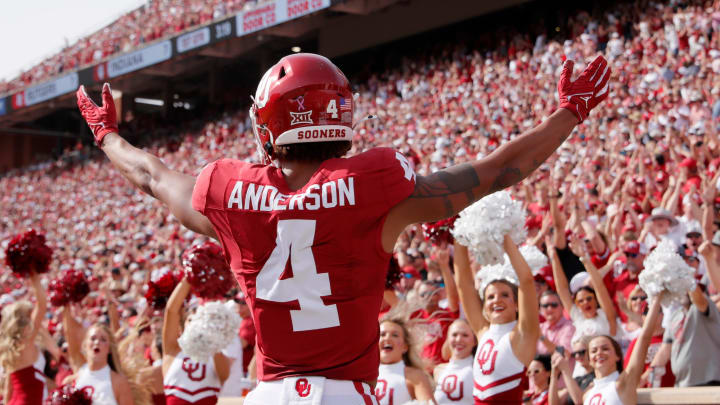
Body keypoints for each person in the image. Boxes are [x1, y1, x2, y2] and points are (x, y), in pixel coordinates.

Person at [76, 52, 610, 403]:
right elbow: (494, 172)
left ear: (268, 123)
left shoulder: (227, 191)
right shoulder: (376, 184)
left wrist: (106, 135)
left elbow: (152, 175)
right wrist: (568, 113)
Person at [454, 235, 541, 404]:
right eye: (490, 297)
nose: (496, 300)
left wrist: (505, 236)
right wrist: (458, 233)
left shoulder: (522, 334)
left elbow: (526, 282)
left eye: (505, 295)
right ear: (484, 305)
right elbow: (463, 284)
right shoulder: (482, 331)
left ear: (516, 304)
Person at [162, 278, 230, 405]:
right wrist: (190, 275)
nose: (196, 323)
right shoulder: (172, 349)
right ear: (181, 327)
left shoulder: (216, 355)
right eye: (191, 319)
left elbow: (224, 375)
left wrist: (211, 337)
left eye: (200, 319)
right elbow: (171, 310)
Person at [61, 303, 134, 405]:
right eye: (93, 338)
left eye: (103, 340)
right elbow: (69, 332)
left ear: (109, 349)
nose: (97, 342)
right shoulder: (71, 381)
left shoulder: (119, 382)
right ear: (85, 345)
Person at [0, 275, 48, 405]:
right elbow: (42, 304)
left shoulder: (15, 347)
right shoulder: (26, 343)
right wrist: (34, 275)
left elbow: (8, 391)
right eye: (30, 315)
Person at [376, 318, 434, 404]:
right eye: (382, 334)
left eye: (395, 335)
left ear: (405, 347)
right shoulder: (363, 374)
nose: (387, 338)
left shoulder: (414, 375)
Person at [433, 319, 475, 404]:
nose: (459, 339)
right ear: (448, 339)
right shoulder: (439, 370)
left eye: (465, 335)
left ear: (475, 341)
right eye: (454, 335)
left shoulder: (479, 368)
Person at [536, 291, 575, 356]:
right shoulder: (539, 328)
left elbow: (564, 353)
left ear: (562, 306)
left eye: (554, 305)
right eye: (545, 306)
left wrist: (541, 337)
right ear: (540, 309)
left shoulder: (570, 327)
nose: (549, 309)